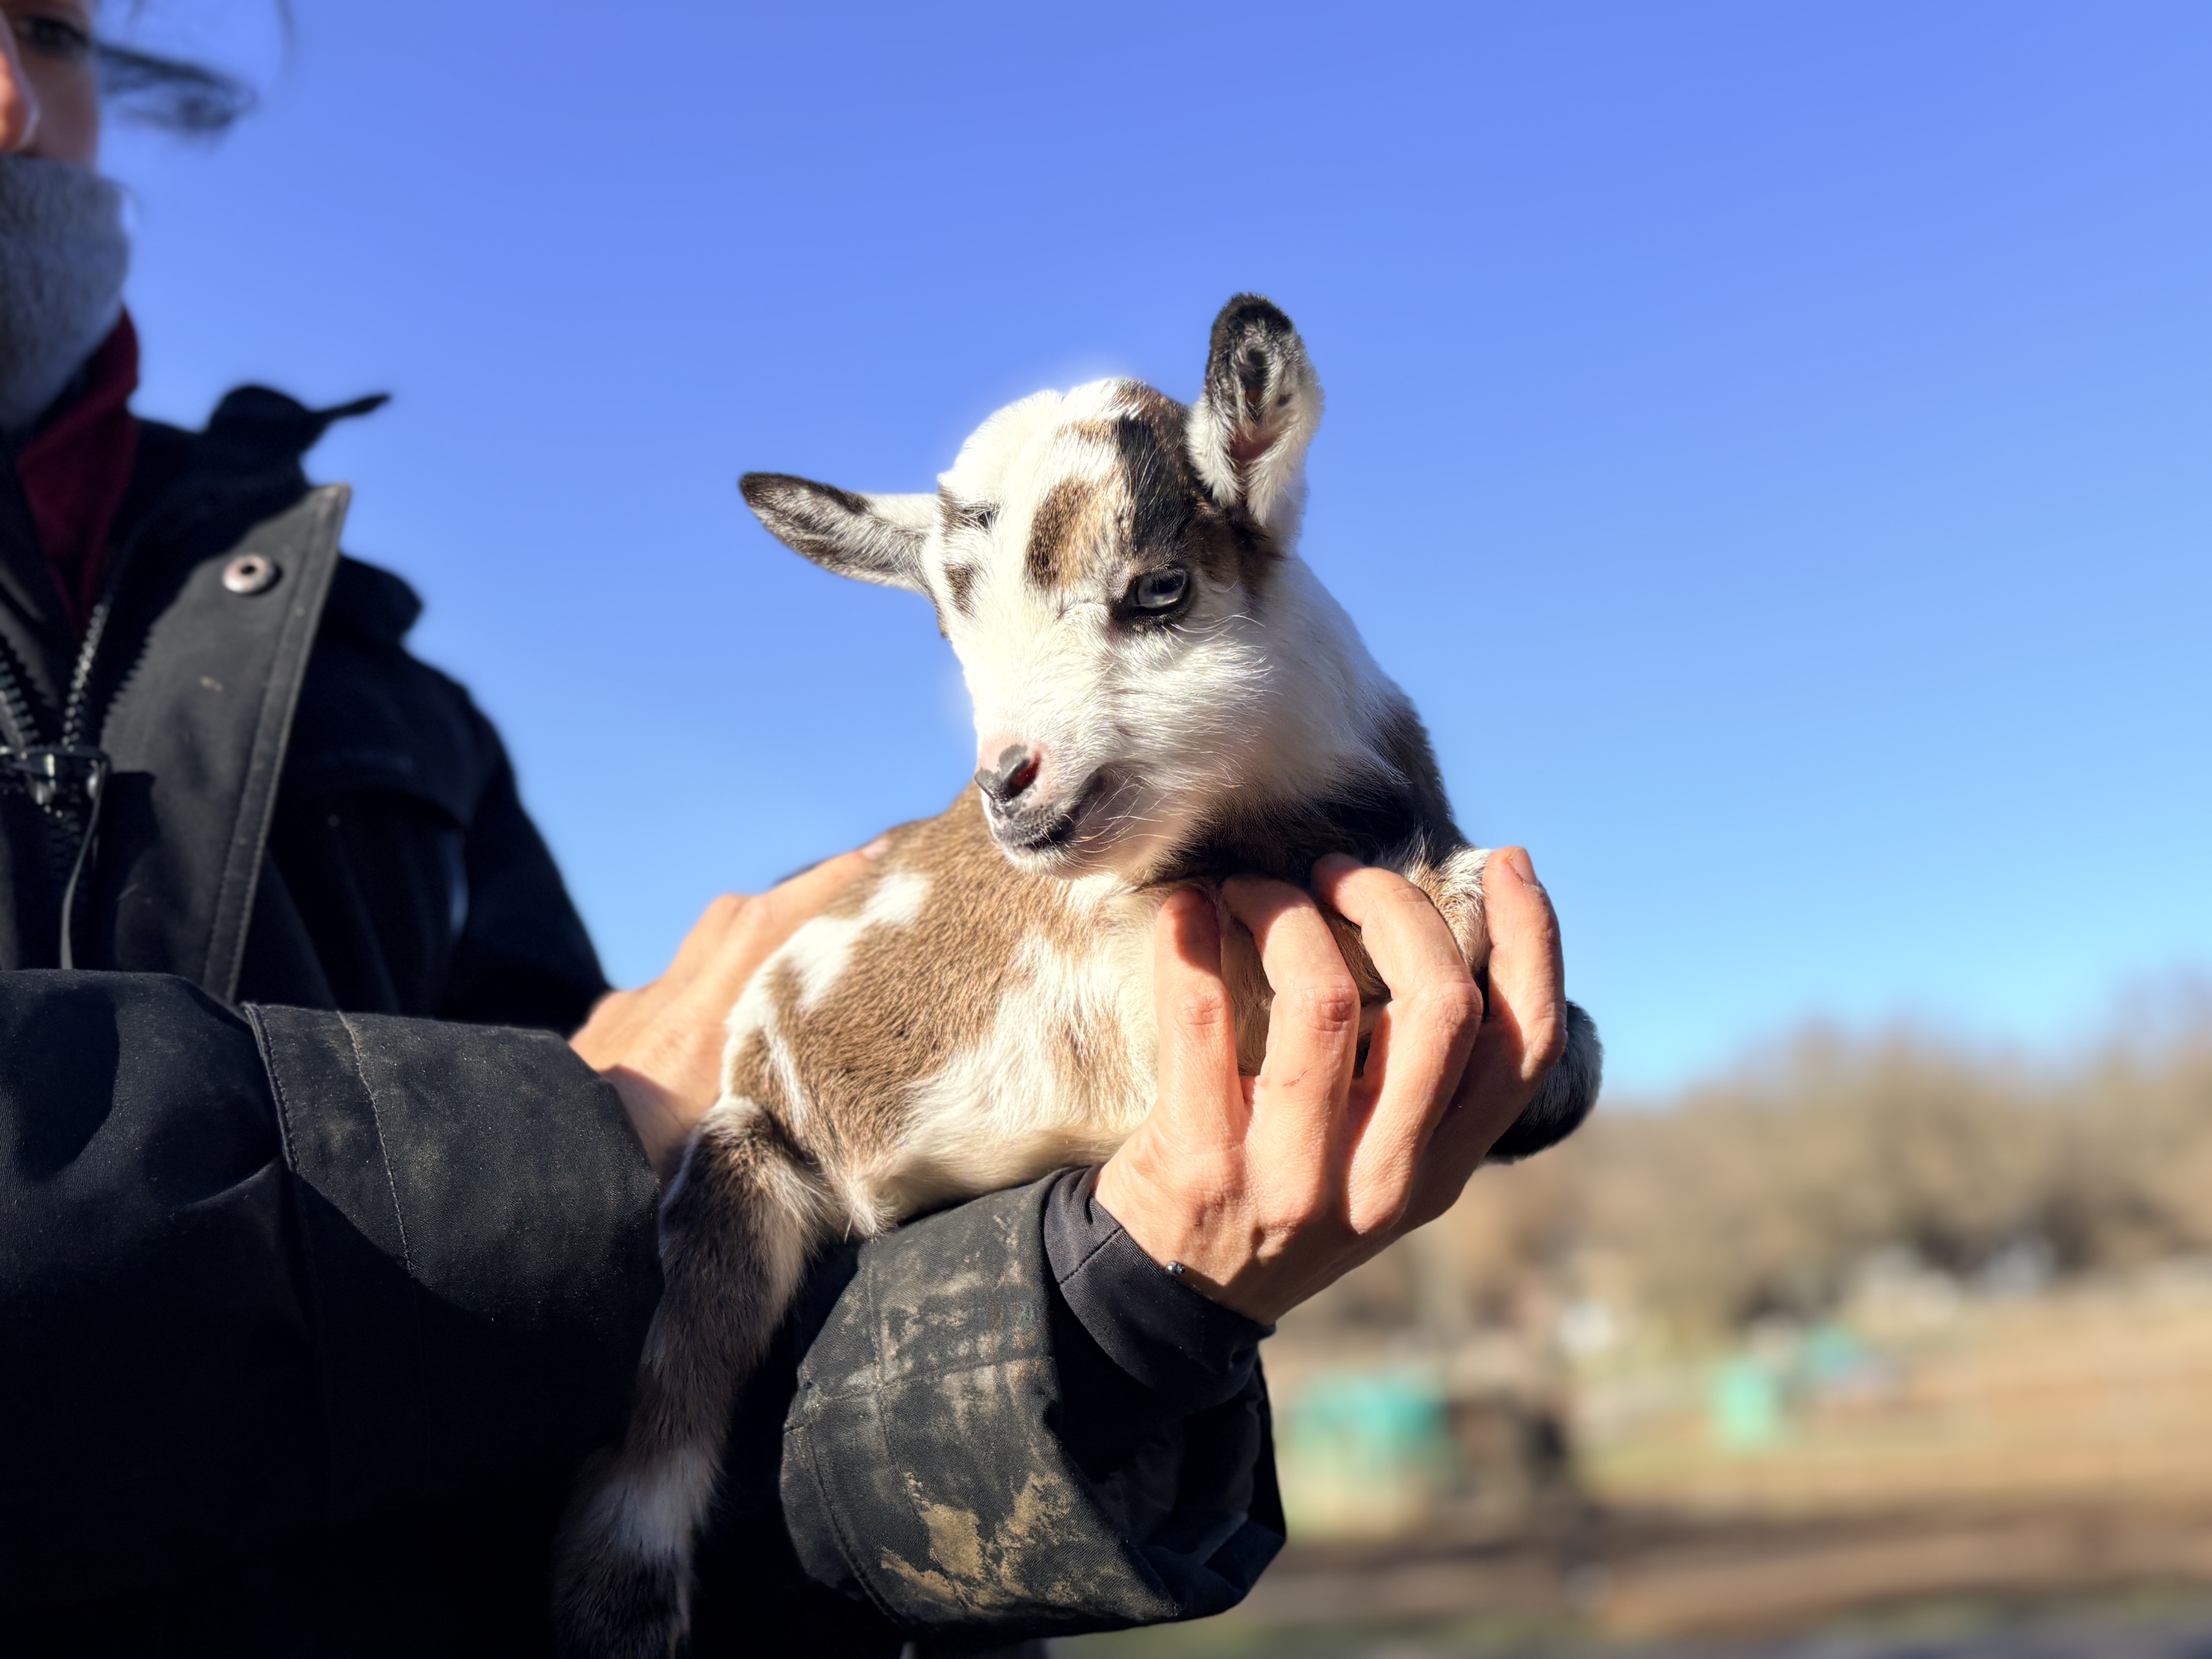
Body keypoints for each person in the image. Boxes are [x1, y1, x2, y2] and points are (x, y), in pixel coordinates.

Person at [0, 5, 1581, 1655]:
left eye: (51, 21)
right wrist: (557, 1142)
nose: (13, 96)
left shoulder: (379, 687)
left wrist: (1106, 1300)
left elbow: (599, 1370)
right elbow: (597, 1165)